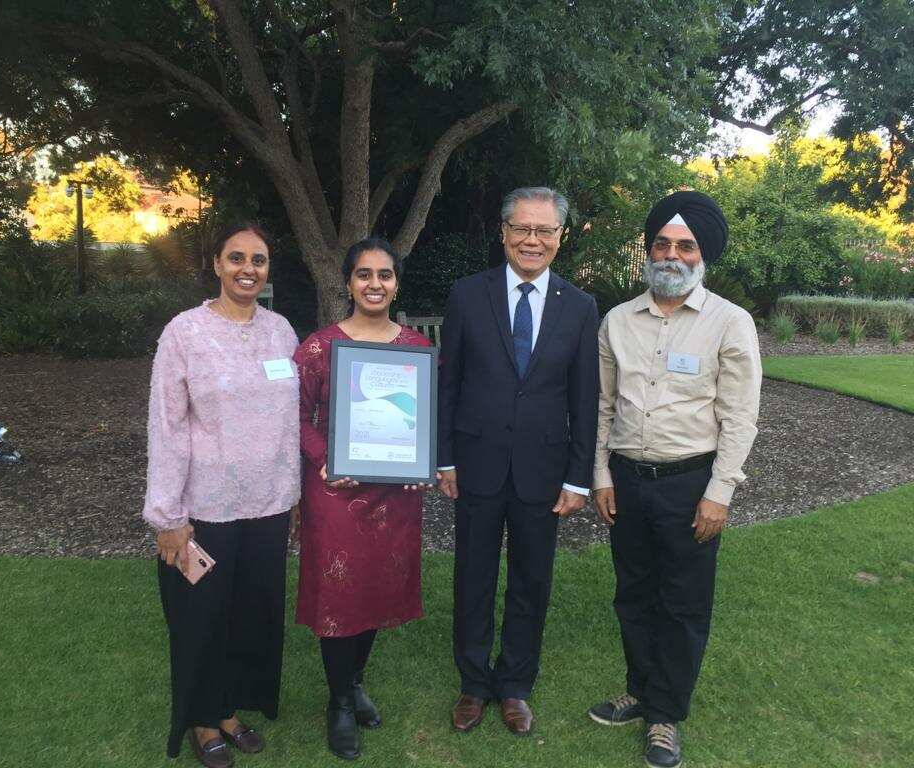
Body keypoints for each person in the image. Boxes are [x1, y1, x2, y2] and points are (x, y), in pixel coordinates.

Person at [588, 191, 761, 768]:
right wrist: (600, 475)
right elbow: (602, 407)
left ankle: (665, 714)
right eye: (662, 243)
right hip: (628, 482)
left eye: (685, 245)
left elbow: (740, 416)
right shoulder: (617, 320)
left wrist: (720, 492)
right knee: (633, 592)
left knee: (683, 603)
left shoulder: (730, 323)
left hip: (691, 485)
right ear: (649, 249)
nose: (672, 254)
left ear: (703, 253)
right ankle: (639, 691)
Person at [437, 187, 600, 736]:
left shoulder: (579, 307)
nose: (533, 240)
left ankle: (514, 685)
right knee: (473, 577)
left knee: (532, 581)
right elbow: (449, 381)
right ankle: (473, 682)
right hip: (477, 465)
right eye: (522, 229)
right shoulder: (466, 294)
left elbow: (584, 398)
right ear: (503, 233)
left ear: (560, 238)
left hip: (544, 472)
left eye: (544, 231)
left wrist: (579, 477)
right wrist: (444, 459)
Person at [142, 222, 300, 768]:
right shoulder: (184, 333)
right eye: (236, 258)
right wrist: (167, 515)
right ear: (216, 264)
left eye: (258, 260)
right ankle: (202, 719)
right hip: (203, 509)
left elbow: (289, 421)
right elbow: (166, 425)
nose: (247, 269)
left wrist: (295, 494)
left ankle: (230, 710)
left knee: (251, 615)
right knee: (201, 617)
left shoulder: (282, 332)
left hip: (268, 507)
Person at [293, 237, 432, 761]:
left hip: (395, 495)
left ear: (397, 283)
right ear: (348, 283)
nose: (375, 284)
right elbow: (296, 414)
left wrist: (422, 465)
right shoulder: (319, 346)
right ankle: (339, 703)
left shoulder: (417, 348)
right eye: (364, 275)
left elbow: (423, 420)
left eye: (385, 275)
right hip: (336, 489)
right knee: (340, 596)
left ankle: (352, 683)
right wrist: (323, 458)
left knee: (374, 589)